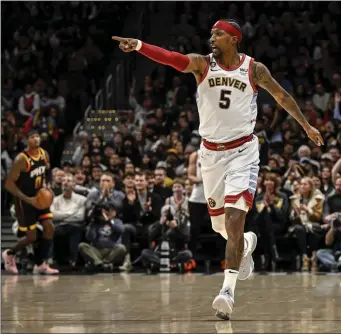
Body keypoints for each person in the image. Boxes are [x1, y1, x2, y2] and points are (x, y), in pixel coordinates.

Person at [113, 18, 323, 320]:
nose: (213, 37)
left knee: (235, 218)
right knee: (221, 228)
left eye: (219, 33)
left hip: (243, 151)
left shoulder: (254, 69)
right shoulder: (202, 64)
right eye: (212, 33)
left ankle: (227, 291)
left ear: (234, 39)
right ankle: (247, 244)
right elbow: (172, 59)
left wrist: (305, 125)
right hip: (210, 155)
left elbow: (281, 96)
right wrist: (139, 46)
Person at [2, 129, 59, 274]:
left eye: (38, 136)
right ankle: (9, 253)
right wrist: (28, 200)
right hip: (24, 201)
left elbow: (47, 173)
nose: (36, 139)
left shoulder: (44, 154)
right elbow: (8, 184)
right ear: (27, 140)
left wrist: (48, 187)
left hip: (39, 197)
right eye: (32, 137)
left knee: (50, 228)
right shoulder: (21, 159)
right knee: (31, 237)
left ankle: (40, 263)